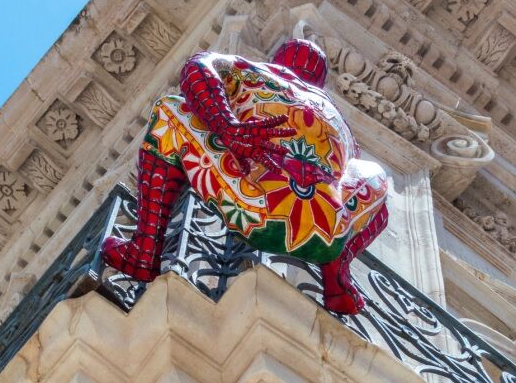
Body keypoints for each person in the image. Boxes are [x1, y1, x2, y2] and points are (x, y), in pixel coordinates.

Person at [102, 39, 388, 314]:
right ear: (320, 81)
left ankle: (144, 249)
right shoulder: (341, 127)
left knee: (169, 111)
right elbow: (374, 203)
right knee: (376, 176)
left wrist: (227, 127)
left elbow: (197, 68)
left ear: (278, 61)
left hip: (257, 209)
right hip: (330, 227)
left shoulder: (254, 72)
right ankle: (337, 275)